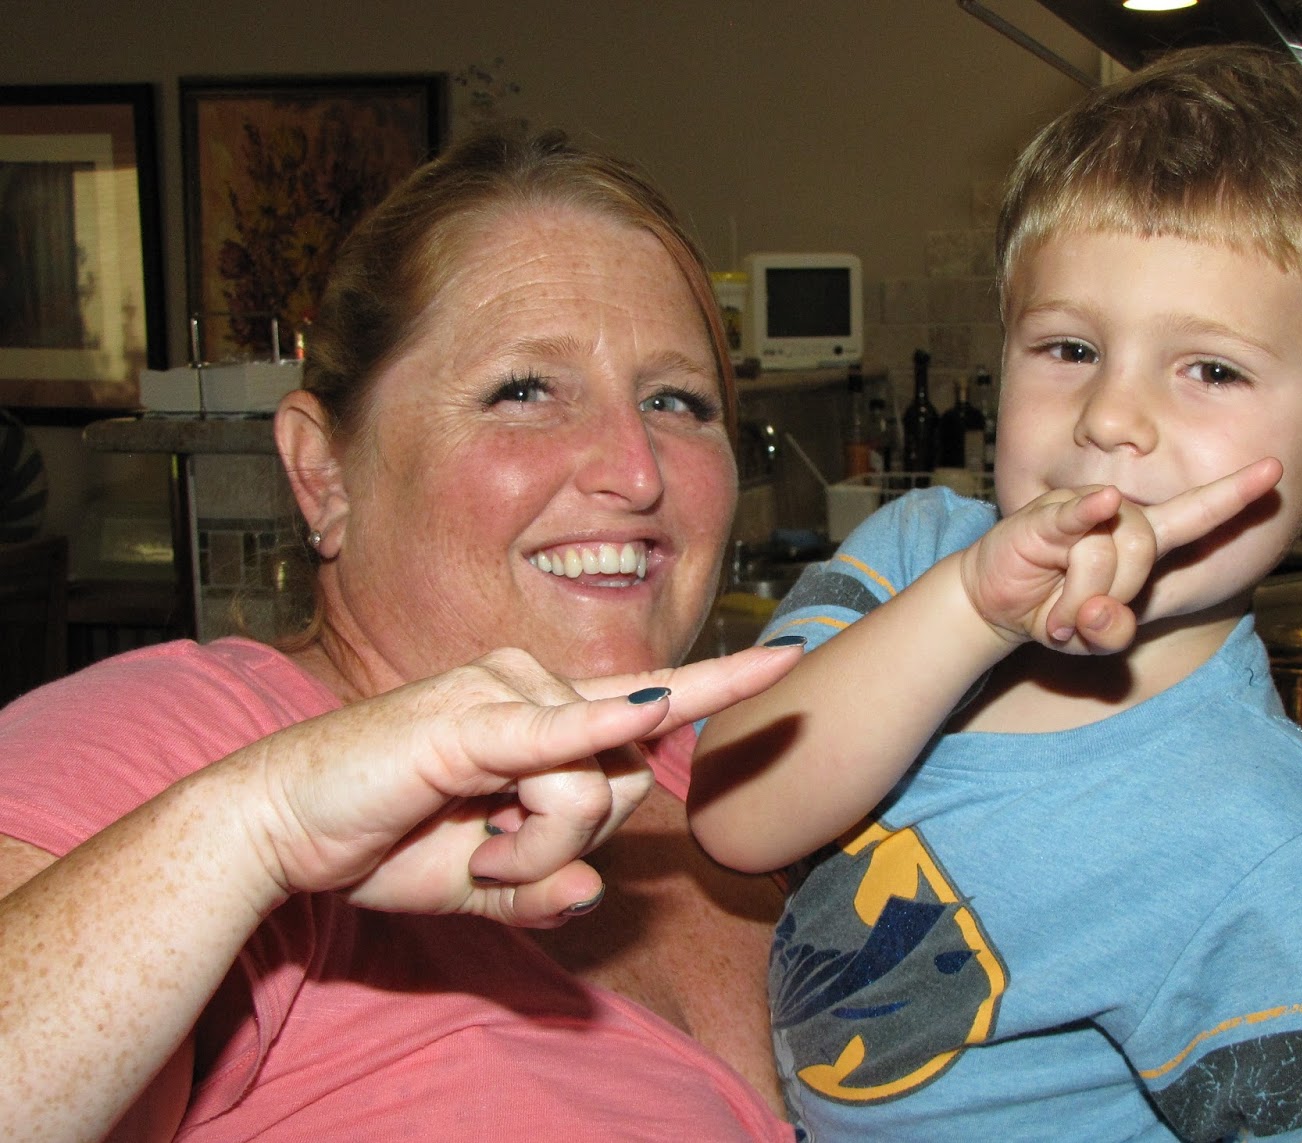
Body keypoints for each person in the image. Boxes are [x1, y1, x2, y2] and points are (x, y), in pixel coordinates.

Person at [690, 46, 1302, 1141]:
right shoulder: (914, 556)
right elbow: (735, 811)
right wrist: (969, 608)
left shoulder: (1260, 842)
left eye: (1211, 369)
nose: (1109, 416)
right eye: (1068, 347)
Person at [0, 126, 807, 1141]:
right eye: (524, 390)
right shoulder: (167, 744)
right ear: (322, 474)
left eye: (676, 400)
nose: (636, 470)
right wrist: (258, 830)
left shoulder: (747, 783)